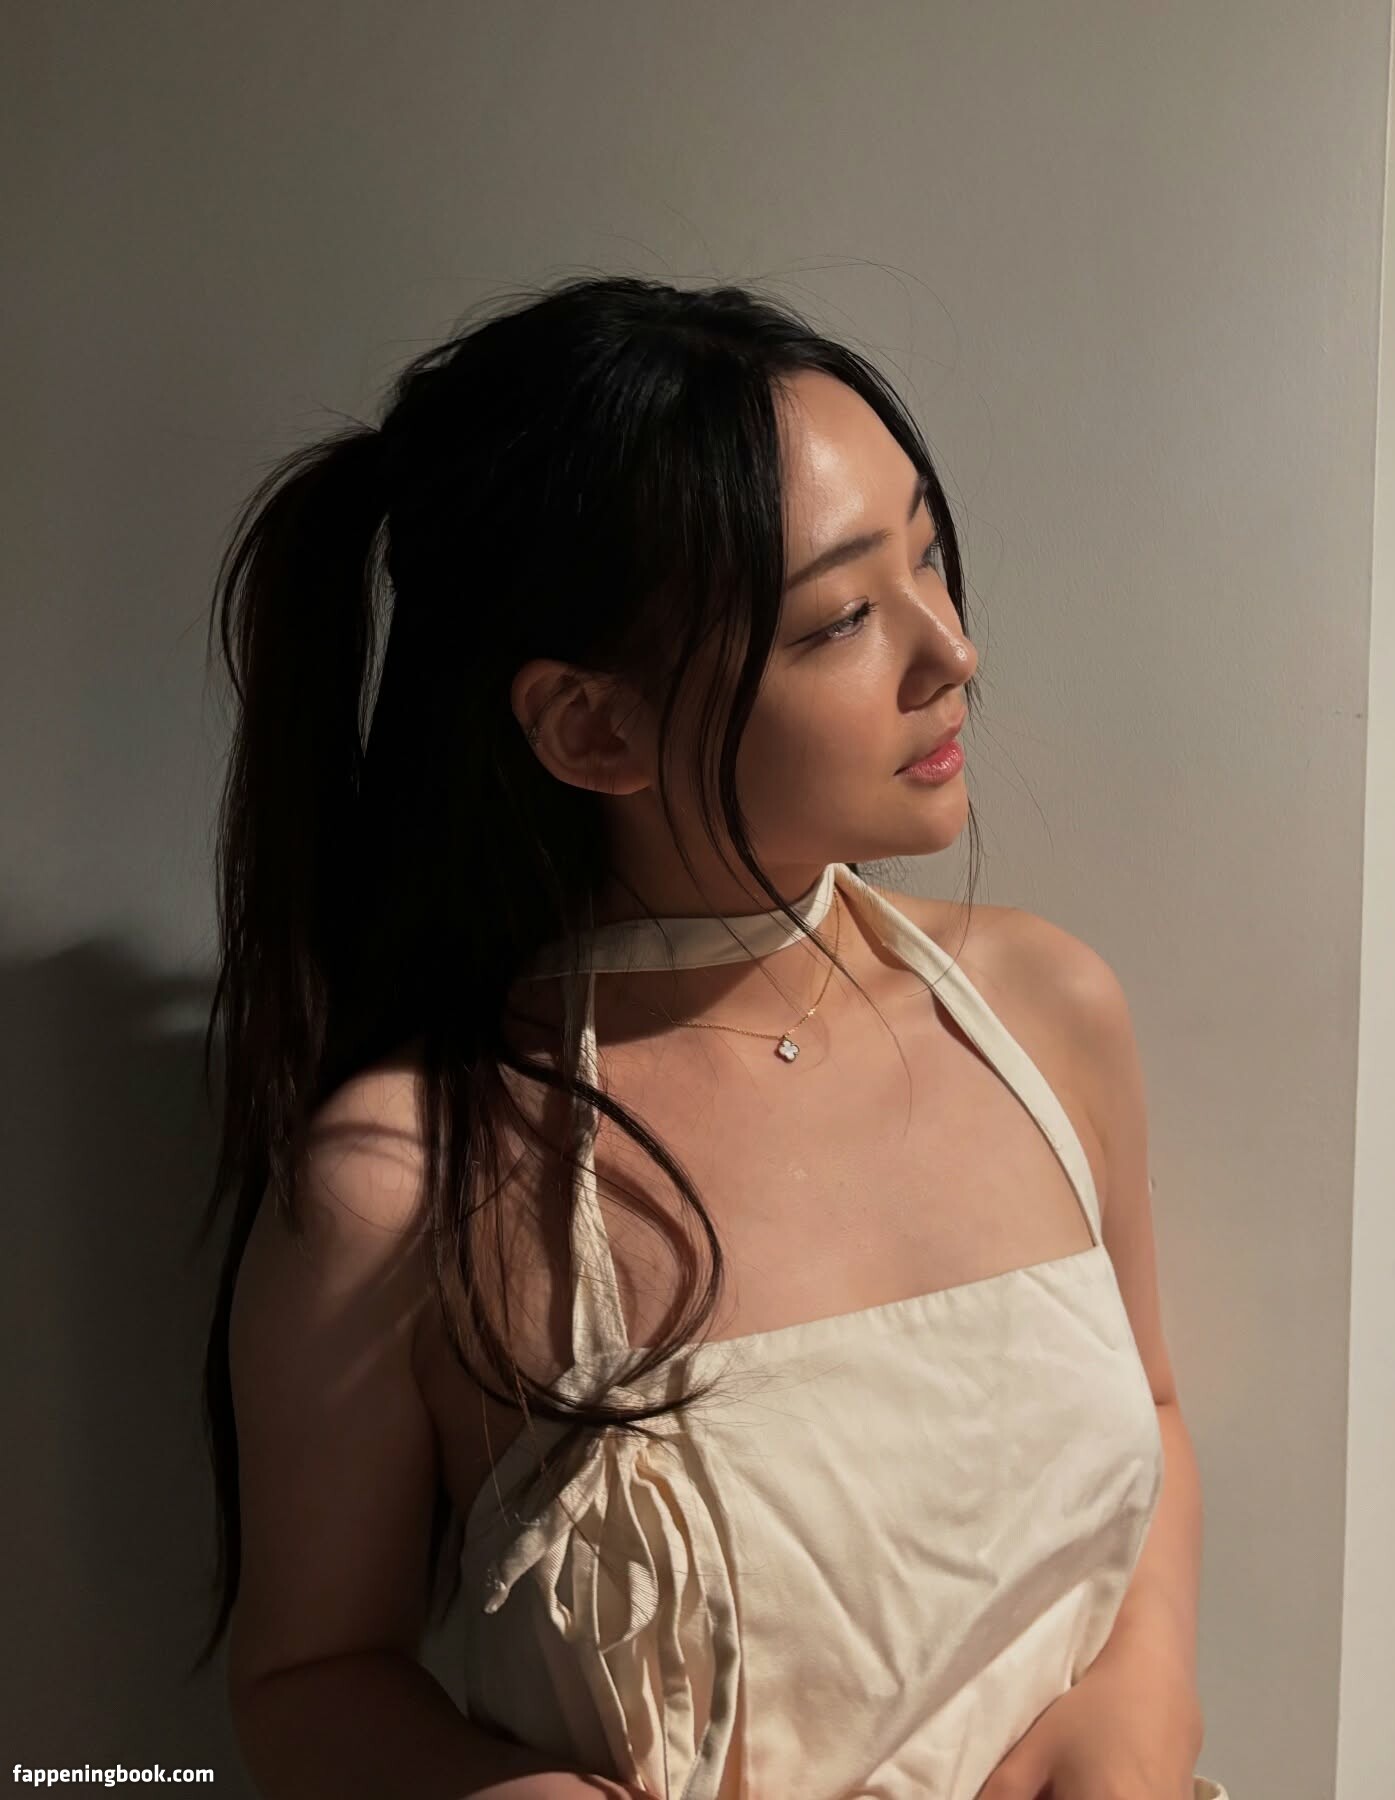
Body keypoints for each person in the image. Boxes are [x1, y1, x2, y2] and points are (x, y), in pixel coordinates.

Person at [193, 275, 1227, 1799]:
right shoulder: (404, 1185)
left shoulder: (1044, 1008)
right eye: (844, 617)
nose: (951, 651)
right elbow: (306, 1682)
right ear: (592, 729)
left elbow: (1153, 1407)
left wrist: (1144, 1694)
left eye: (928, 557)